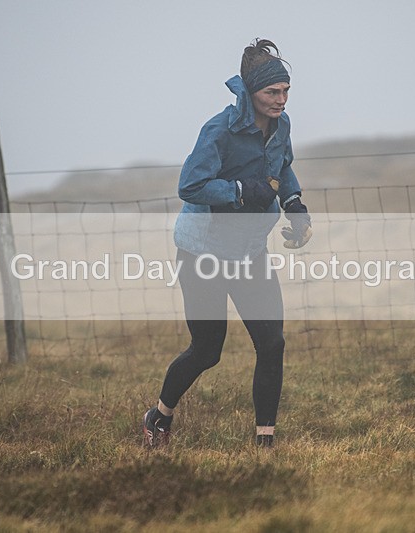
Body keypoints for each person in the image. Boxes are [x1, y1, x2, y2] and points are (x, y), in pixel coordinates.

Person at [142, 38, 312, 448]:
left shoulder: (281, 125)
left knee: (272, 343)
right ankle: (158, 417)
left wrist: (294, 203)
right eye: (273, 92)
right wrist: (238, 190)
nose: (282, 100)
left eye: (286, 91)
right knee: (207, 350)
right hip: (202, 252)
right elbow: (190, 186)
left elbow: (281, 165)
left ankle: (265, 444)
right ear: (250, 92)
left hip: (250, 250)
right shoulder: (219, 129)